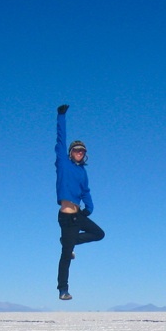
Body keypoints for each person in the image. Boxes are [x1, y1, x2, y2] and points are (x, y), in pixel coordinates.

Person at [55, 104, 104, 300]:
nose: (79, 153)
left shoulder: (83, 173)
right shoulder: (62, 163)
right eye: (76, 150)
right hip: (66, 217)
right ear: (70, 152)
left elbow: (85, 192)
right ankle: (62, 289)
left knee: (99, 233)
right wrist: (61, 116)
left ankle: (71, 240)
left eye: (82, 151)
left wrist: (89, 209)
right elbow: (60, 139)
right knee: (66, 255)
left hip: (78, 215)